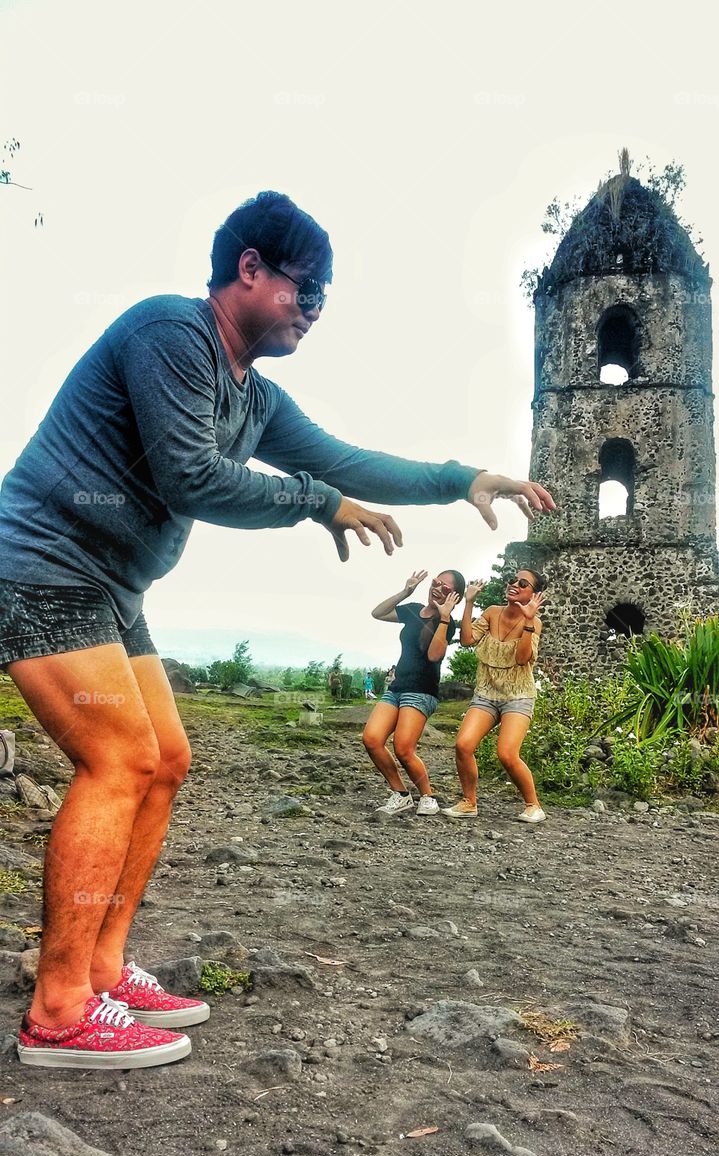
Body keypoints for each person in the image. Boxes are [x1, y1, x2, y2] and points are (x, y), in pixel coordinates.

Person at [0, 190, 555, 1069]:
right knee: (120, 760)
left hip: (114, 590)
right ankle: (59, 1011)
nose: (316, 310)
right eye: (308, 290)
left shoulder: (255, 398)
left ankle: (102, 970)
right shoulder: (170, 336)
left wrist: (464, 478)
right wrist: (315, 504)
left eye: (326, 298)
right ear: (249, 270)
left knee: (166, 760)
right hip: (44, 561)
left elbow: (344, 461)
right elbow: (192, 477)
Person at [444, 570, 547, 822]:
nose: (514, 584)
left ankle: (533, 805)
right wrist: (468, 602)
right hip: (487, 694)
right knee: (463, 745)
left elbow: (523, 658)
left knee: (507, 754)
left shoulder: (535, 622)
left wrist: (528, 621)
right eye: (512, 580)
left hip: (518, 695)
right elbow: (467, 640)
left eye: (523, 583)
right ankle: (469, 802)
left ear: (533, 594)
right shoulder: (491, 612)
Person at [363, 569, 464, 815]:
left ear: (455, 597)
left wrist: (443, 618)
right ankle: (400, 794)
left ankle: (427, 796)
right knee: (372, 739)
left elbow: (434, 655)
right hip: (397, 688)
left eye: (446, 588)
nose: (438, 588)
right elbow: (378, 613)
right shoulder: (412, 609)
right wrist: (406, 591)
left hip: (421, 691)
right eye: (436, 583)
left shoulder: (448, 623)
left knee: (403, 748)